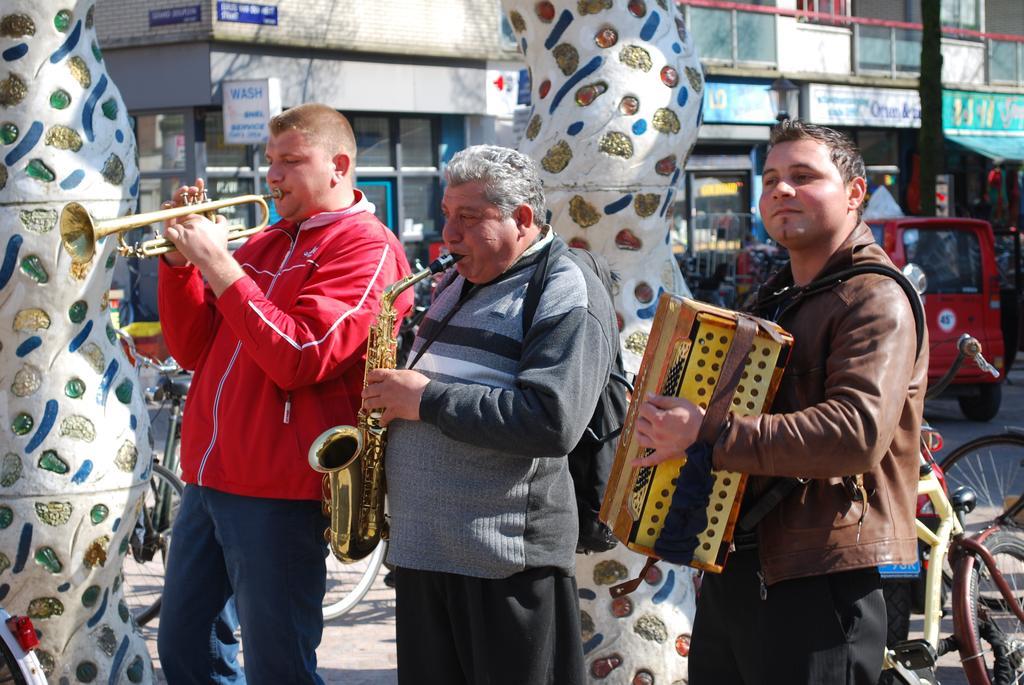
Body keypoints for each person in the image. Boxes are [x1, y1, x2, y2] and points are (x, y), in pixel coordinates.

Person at [634, 120, 927, 685]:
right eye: (770, 179)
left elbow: (855, 435)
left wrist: (708, 431)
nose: (780, 190)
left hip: (821, 578)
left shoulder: (876, 296)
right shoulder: (776, 295)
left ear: (855, 193)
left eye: (803, 176)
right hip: (744, 566)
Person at [154, 103, 412, 683]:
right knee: (186, 650)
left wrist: (220, 264)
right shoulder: (268, 240)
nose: (273, 176)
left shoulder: (368, 248)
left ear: (339, 166)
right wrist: (178, 266)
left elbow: (301, 356)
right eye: (271, 161)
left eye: (292, 161)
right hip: (209, 474)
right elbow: (193, 349)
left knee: (279, 666)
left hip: (279, 487)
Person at [361, 145, 618, 685]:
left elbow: (552, 420)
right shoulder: (459, 279)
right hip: (427, 553)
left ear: (522, 219)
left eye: (468, 218)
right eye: (447, 216)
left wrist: (424, 399)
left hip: (504, 563)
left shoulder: (564, 286)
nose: (448, 235)